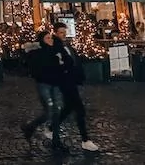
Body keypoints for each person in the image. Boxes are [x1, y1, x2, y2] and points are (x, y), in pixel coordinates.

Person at [52, 22, 99, 152]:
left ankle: (51, 128)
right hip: (65, 81)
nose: (64, 35)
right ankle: (85, 140)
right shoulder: (55, 46)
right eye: (61, 32)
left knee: (68, 108)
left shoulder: (66, 45)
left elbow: (74, 60)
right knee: (80, 110)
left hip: (72, 80)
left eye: (65, 32)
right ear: (55, 33)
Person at [20, 31, 63, 149]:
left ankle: (56, 140)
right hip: (44, 84)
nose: (50, 40)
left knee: (56, 111)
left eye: (51, 38)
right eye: (47, 38)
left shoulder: (55, 51)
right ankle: (30, 127)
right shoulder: (37, 53)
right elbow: (34, 68)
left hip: (55, 84)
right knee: (50, 111)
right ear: (42, 40)